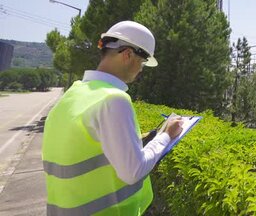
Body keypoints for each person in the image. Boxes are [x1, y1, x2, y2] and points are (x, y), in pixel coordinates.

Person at [42, 20, 183, 215]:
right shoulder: (114, 99)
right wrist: (166, 135)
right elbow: (133, 171)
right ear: (127, 54)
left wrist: (137, 141)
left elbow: (85, 148)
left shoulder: (72, 95)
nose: (141, 69)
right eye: (142, 62)